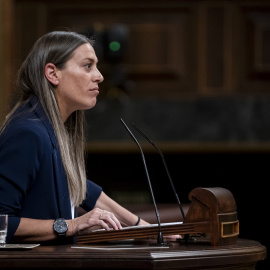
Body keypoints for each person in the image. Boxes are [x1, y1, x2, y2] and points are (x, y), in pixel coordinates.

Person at [0, 31, 150, 245]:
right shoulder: (28, 133)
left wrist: (142, 227)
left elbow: (79, 186)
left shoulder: (50, 127)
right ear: (53, 73)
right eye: (88, 65)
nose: (99, 76)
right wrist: (71, 225)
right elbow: (1, 223)